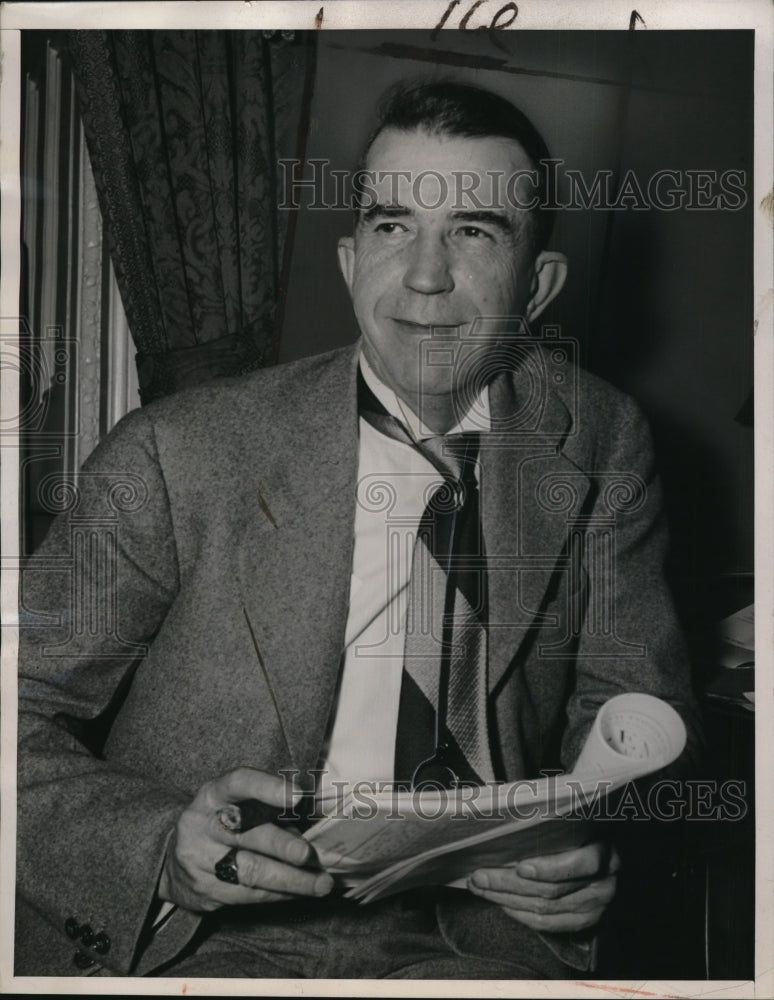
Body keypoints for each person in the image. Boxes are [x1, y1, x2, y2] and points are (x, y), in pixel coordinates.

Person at [15, 80, 702, 980]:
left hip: (476, 934)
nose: (424, 275)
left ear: (537, 285)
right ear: (350, 263)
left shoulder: (604, 440)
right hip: (205, 932)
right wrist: (159, 850)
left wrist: (595, 850)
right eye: (391, 226)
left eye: (472, 230)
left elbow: (638, 714)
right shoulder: (175, 452)